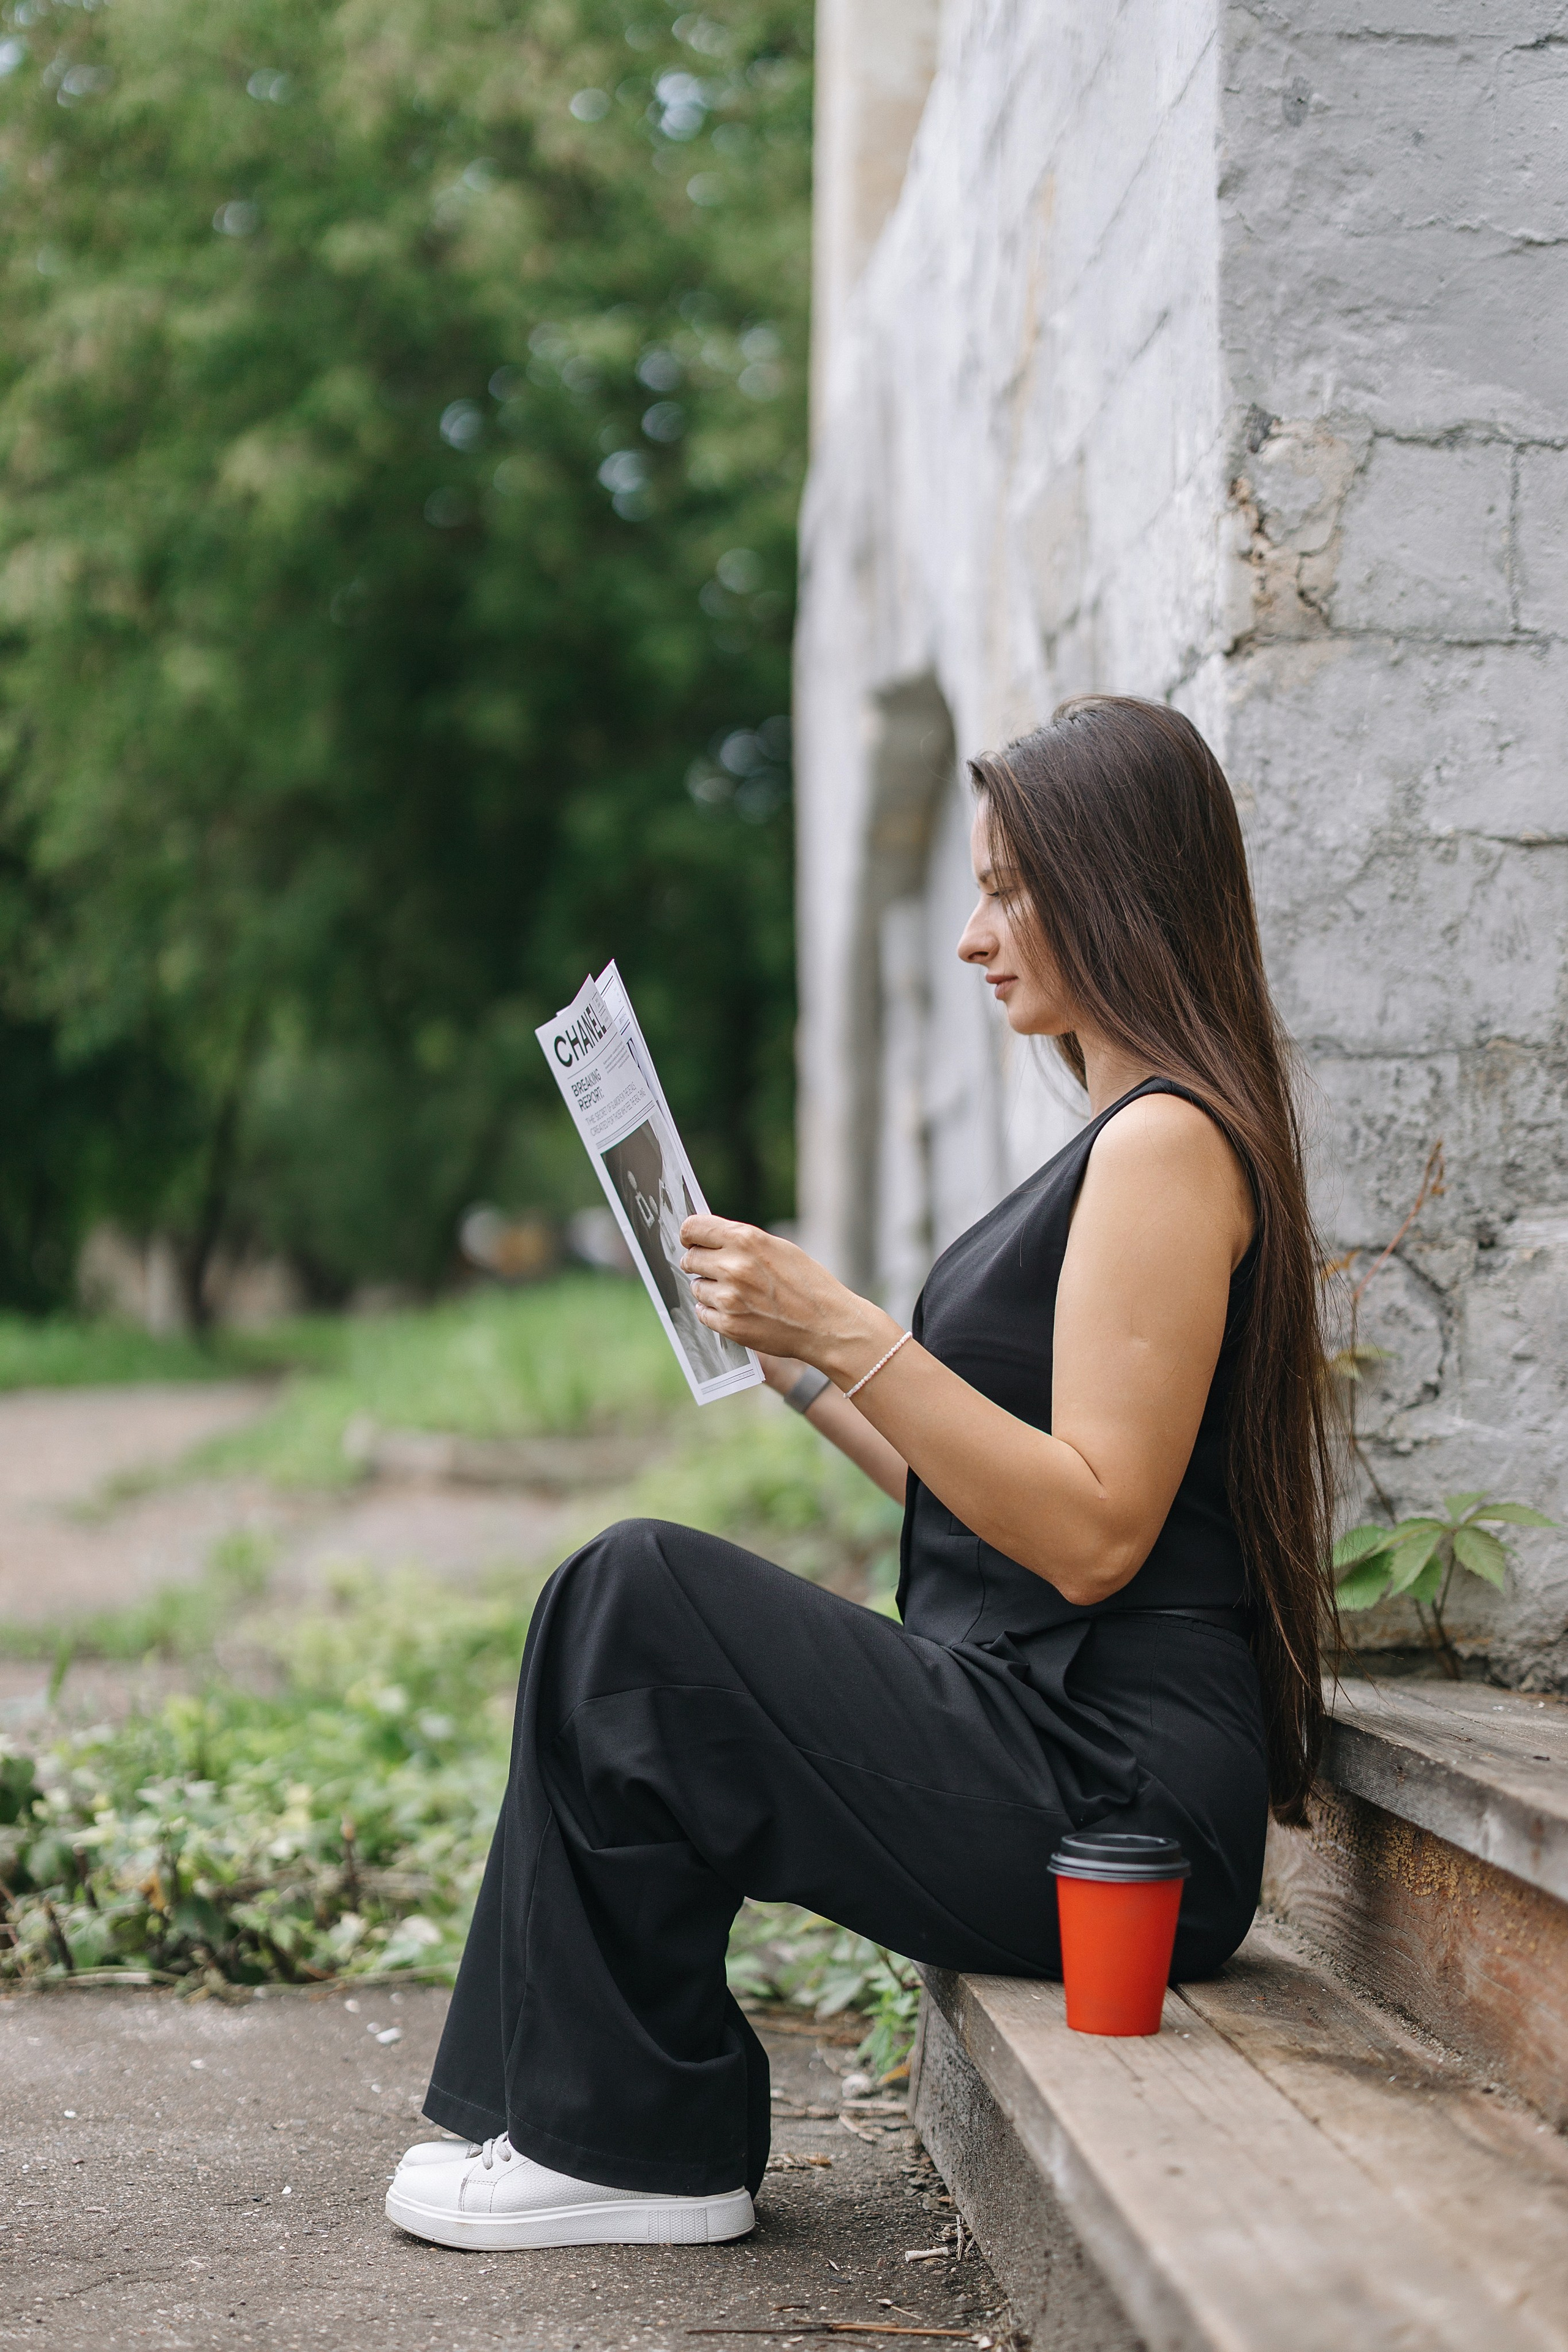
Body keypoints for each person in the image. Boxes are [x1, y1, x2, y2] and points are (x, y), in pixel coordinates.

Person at [385, 696, 1337, 2253]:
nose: (977, 935)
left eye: (1011, 890)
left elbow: (1095, 1535)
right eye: (979, 888)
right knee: (617, 1604)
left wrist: (848, 1319)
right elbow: (1001, 1494)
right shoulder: (1125, 1136)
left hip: (1115, 1812)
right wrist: (804, 1367)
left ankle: (634, 2145)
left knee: (635, 1595)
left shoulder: (1166, 1146)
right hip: (1051, 1745)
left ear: (1121, 891)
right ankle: (593, 2126)